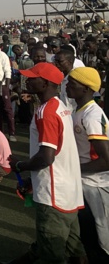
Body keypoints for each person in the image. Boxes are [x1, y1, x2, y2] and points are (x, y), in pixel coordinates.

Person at [7, 62, 85, 264]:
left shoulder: (46, 112)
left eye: (33, 77)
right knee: (74, 248)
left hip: (53, 194)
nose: (28, 80)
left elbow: (46, 156)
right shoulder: (62, 107)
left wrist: (20, 165)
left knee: (52, 253)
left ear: (46, 83)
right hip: (68, 190)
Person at [66, 66, 109, 260]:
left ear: (86, 89)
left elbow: (106, 160)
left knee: (97, 239)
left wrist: (74, 169)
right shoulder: (79, 110)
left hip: (94, 185)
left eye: (72, 83)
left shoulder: (91, 116)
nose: (67, 85)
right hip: (84, 182)